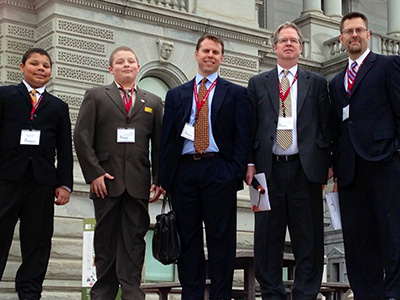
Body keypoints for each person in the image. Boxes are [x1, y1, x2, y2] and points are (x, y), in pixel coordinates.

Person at [159, 33, 251, 300]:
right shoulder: (176, 94)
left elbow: (241, 136)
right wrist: (166, 179)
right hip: (184, 173)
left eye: (216, 52)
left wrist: (233, 170)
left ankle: (220, 296)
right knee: (188, 241)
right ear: (196, 54)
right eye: (206, 51)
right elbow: (167, 139)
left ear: (221, 58)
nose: (210, 56)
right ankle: (192, 295)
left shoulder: (235, 93)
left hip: (218, 170)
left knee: (221, 241)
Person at [246, 22, 332, 300]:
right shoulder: (258, 83)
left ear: (300, 47)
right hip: (266, 171)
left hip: (304, 170)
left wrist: (328, 161)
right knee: (266, 238)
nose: (289, 44)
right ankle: (271, 293)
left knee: (308, 237)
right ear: (275, 47)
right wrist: (249, 163)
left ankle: (305, 293)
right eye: (283, 40)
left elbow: (326, 125)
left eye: (294, 40)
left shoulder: (316, 83)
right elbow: (250, 126)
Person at [74, 46, 163, 300]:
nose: (127, 65)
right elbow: (81, 138)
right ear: (110, 68)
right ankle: (103, 293)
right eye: (120, 62)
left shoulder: (153, 102)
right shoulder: (96, 96)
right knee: (105, 240)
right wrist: (94, 174)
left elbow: (158, 146)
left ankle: (133, 293)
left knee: (134, 240)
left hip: (138, 185)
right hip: (106, 183)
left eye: (131, 61)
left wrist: (159, 179)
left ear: (138, 68)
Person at [330, 12, 400, 300]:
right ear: (342, 38)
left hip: (384, 163)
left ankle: (394, 293)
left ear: (368, 34)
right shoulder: (335, 83)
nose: (354, 35)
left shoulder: (387, 65)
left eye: (359, 30)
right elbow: (335, 127)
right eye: (349, 31)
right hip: (350, 170)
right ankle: (365, 293)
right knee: (357, 239)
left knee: (392, 233)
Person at [0, 48, 73, 300]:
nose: (41, 68)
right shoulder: (5, 95)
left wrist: (64, 183)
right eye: (34, 64)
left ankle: (29, 292)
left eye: (46, 65)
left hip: (41, 182)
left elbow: (64, 148)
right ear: (22, 67)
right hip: (6, 179)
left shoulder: (58, 107)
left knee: (38, 239)